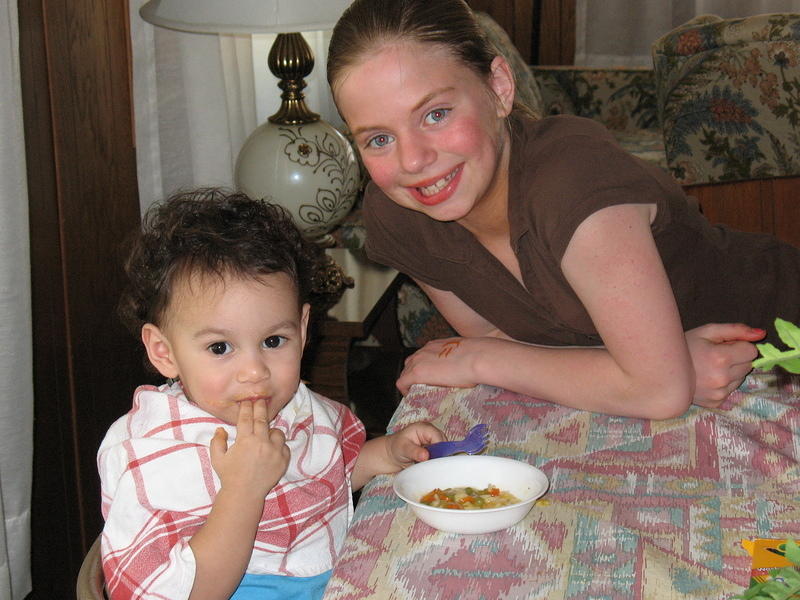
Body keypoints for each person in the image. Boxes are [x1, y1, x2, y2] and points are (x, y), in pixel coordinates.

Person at [327, 0, 800, 420]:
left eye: (436, 114)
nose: (412, 161)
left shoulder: (573, 179)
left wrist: (476, 361)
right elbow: (504, 336)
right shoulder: (400, 214)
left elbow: (659, 393)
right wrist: (659, 365)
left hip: (783, 336)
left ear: (498, 88)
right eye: (379, 139)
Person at [98, 189, 443, 600]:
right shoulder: (147, 453)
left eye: (274, 340)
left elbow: (324, 477)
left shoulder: (295, 406)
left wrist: (385, 454)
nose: (254, 372)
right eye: (220, 348)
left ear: (302, 328)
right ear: (164, 352)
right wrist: (243, 489)